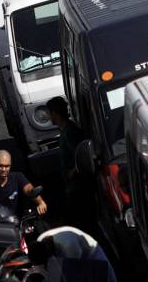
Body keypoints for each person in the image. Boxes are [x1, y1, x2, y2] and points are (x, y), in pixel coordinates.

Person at [47, 96, 88, 228]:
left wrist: (72, 171)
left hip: (77, 188)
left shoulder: (70, 132)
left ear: (55, 113)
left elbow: (82, 154)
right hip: (72, 187)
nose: (49, 117)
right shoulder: (65, 130)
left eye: (49, 113)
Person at [30, 226, 118, 282]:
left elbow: (78, 273)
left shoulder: (69, 246)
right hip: (70, 252)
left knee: (107, 277)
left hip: (92, 254)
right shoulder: (40, 240)